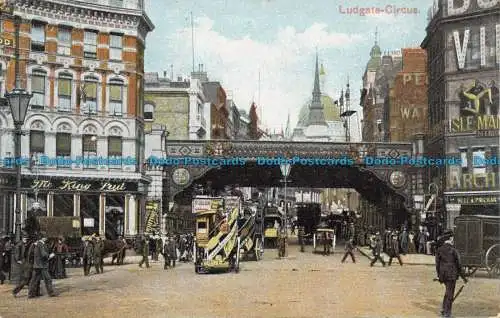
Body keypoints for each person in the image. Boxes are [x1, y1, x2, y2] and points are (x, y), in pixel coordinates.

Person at [435, 229, 468, 318]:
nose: (453, 239)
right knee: (450, 294)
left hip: (443, 275)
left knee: (447, 292)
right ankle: (447, 314)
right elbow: (459, 265)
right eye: (452, 237)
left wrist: (439, 276)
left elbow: (437, 265)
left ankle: (443, 309)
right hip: (451, 275)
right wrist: (464, 277)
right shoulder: (453, 250)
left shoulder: (439, 250)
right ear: (450, 238)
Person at [28, 232, 57, 298]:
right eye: (45, 237)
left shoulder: (37, 244)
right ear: (43, 238)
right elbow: (44, 255)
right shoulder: (41, 244)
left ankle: (31, 294)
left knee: (34, 280)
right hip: (42, 265)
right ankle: (51, 293)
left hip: (36, 265)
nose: (46, 238)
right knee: (48, 279)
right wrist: (50, 256)